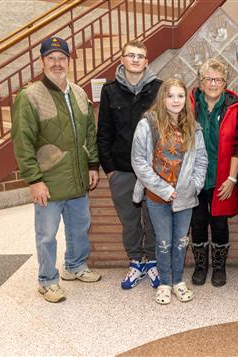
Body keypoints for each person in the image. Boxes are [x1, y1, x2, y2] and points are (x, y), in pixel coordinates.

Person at [11, 36, 101, 303]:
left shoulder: (79, 92)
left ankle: (74, 266)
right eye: (51, 58)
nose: (57, 63)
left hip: (76, 177)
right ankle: (47, 280)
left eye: (62, 58)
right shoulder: (30, 97)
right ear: (42, 62)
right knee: (47, 233)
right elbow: (22, 142)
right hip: (47, 181)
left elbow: (89, 133)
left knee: (79, 225)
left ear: (69, 61)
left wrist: (92, 165)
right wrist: (33, 180)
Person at [131, 78, 207, 304]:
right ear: (162, 98)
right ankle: (164, 282)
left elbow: (201, 159)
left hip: (185, 196)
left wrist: (194, 185)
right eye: (170, 96)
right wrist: (164, 189)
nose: (175, 101)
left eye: (180, 96)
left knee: (182, 240)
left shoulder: (194, 126)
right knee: (163, 240)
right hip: (157, 196)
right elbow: (139, 162)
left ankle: (177, 281)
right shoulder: (148, 124)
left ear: (186, 99)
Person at [97, 40, 162, 290]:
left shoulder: (159, 89)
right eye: (130, 55)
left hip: (154, 172)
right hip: (122, 171)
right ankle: (136, 262)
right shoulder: (110, 91)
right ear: (121, 60)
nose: (135, 60)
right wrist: (110, 170)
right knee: (130, 221)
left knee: (153, 218)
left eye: (140, 56)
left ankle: (153, 261)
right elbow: (104, 132)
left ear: (147, 62)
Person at [189, 58, 238, 287]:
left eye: (218, 79)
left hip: (223, 178)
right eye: (208, 79)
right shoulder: (189, 107)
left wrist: (232, 179)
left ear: (225, 83)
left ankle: (219, 268)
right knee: (198, 222)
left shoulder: (233, 111)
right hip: (195, 178)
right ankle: (201, 266)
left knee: (220, 223)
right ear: (200, 83)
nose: (213, 83)